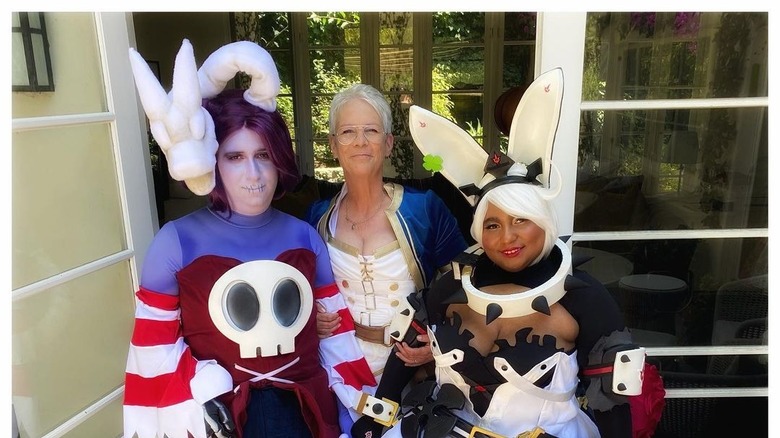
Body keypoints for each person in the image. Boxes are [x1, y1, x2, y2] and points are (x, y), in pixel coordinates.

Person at [366, 68, 644, 437]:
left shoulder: (583, 296)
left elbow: (615, 402)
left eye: (521, 220)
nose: (506, 237)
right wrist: (373, 419)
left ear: (543, 219)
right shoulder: (451, 283)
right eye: (492, 225)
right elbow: (407, 344)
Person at [123, 40, 375, 438]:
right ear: (212, 160)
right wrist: (202, 391)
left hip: (308, 416)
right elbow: (153, 356)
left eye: (263, 155)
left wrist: (358, 415)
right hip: (221, 420)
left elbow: (338, 343)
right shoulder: (175, 242)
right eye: (235, 157)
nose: (254, 174)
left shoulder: (305, 237)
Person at [306, 83, 469, 434]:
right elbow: (299, 287)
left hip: (413, 371)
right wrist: (308, 318)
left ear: (389, 143)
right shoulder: (317, 218)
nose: (360, 141)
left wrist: (438, 343)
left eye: (371, 131)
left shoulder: (424, 208)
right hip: (339, 369)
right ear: (333, 145)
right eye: (348, 132)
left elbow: (465, 284)